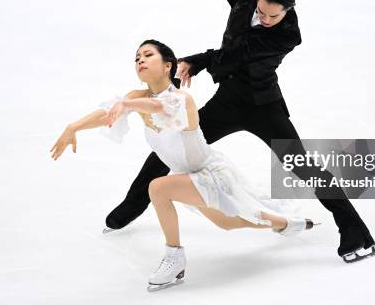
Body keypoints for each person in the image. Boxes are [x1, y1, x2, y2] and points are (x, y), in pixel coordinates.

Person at [106, 0, 375, 263]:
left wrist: (195, 61)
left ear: (288, 11)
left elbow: (238, 53)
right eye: (260, 11)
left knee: (302, 165)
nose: (264, 18)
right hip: (230, 100)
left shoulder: (286, 36)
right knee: (171, 146)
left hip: (264, 105)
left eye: (272, 15)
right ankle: (134, 203)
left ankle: (354, 230)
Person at [50, 40, 315, 291]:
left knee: (159, 188)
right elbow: (109, 112)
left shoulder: (181, 100)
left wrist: (126, 104)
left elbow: (157, 105)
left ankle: (175, 259)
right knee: (229, 223)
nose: (140, 60)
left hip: (208, 174)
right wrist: (73, 127)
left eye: (148, 55)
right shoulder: (135, 97)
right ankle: (285, 223)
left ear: (168, 66)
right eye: (137, 58)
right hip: (186, 177)